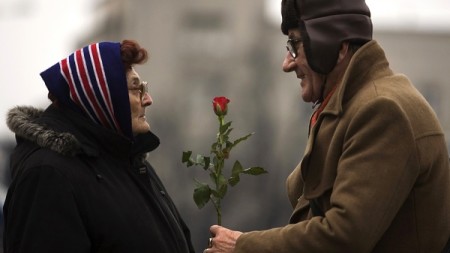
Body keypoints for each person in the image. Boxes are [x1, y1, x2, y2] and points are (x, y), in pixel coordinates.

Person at [205, 0, 450, 252]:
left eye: (295, 45)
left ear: (338, 48)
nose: (287, 64)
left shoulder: (381, 110)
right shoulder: (352, 105)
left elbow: (343, 237)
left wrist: (242, 246)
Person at [4, 40, 195, 253]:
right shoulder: (48, 174)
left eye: (144, 88)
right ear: (99, 95)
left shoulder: (130, 162)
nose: (148, 99)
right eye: (136, 88)